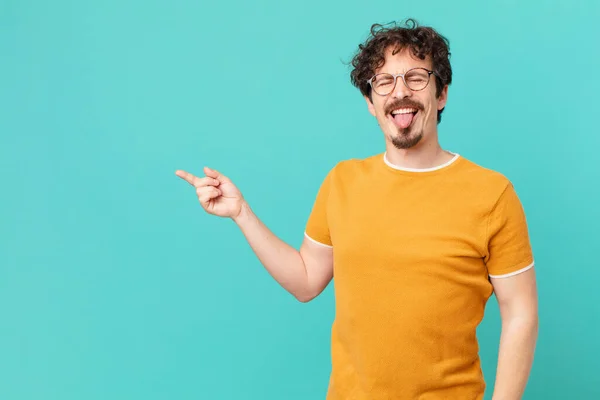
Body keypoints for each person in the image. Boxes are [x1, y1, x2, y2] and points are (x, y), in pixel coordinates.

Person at [175, 18, 539, 400]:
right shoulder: (342, 182)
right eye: (384, 82)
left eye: (416, 77)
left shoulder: (491, 194)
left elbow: (520, 313)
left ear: (441, 92)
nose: (400, 93)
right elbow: (305, 281)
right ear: (371, 102)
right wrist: (241, 213)